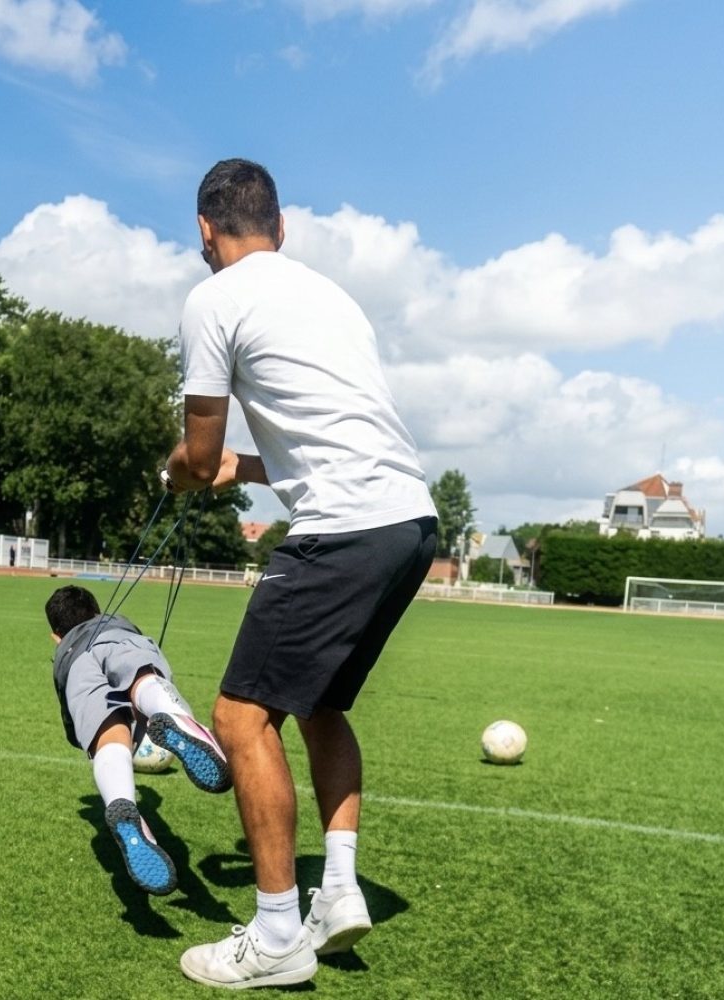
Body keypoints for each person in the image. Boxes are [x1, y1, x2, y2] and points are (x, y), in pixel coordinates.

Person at [165, 159, 438, 989]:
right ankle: (339, 890)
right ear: (280, 229)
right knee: (319, 705)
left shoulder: (213, 298)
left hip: (343, 529)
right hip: (410, 523)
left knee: (240, 717)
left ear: (206, 232)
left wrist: (183, 468)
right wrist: (243, 471)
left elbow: (197, 452)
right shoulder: (331, 298)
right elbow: (322, 438)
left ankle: (278, 932)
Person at [45, 584, 231, 896]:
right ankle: (177, 719)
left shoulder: (62, 652)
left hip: (76, 664)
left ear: (55, 635)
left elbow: (75, 731)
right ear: (96, 612)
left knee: (109, 736)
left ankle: (122, 803)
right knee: (143, 681)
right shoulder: (116, 621)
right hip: (119, 640)